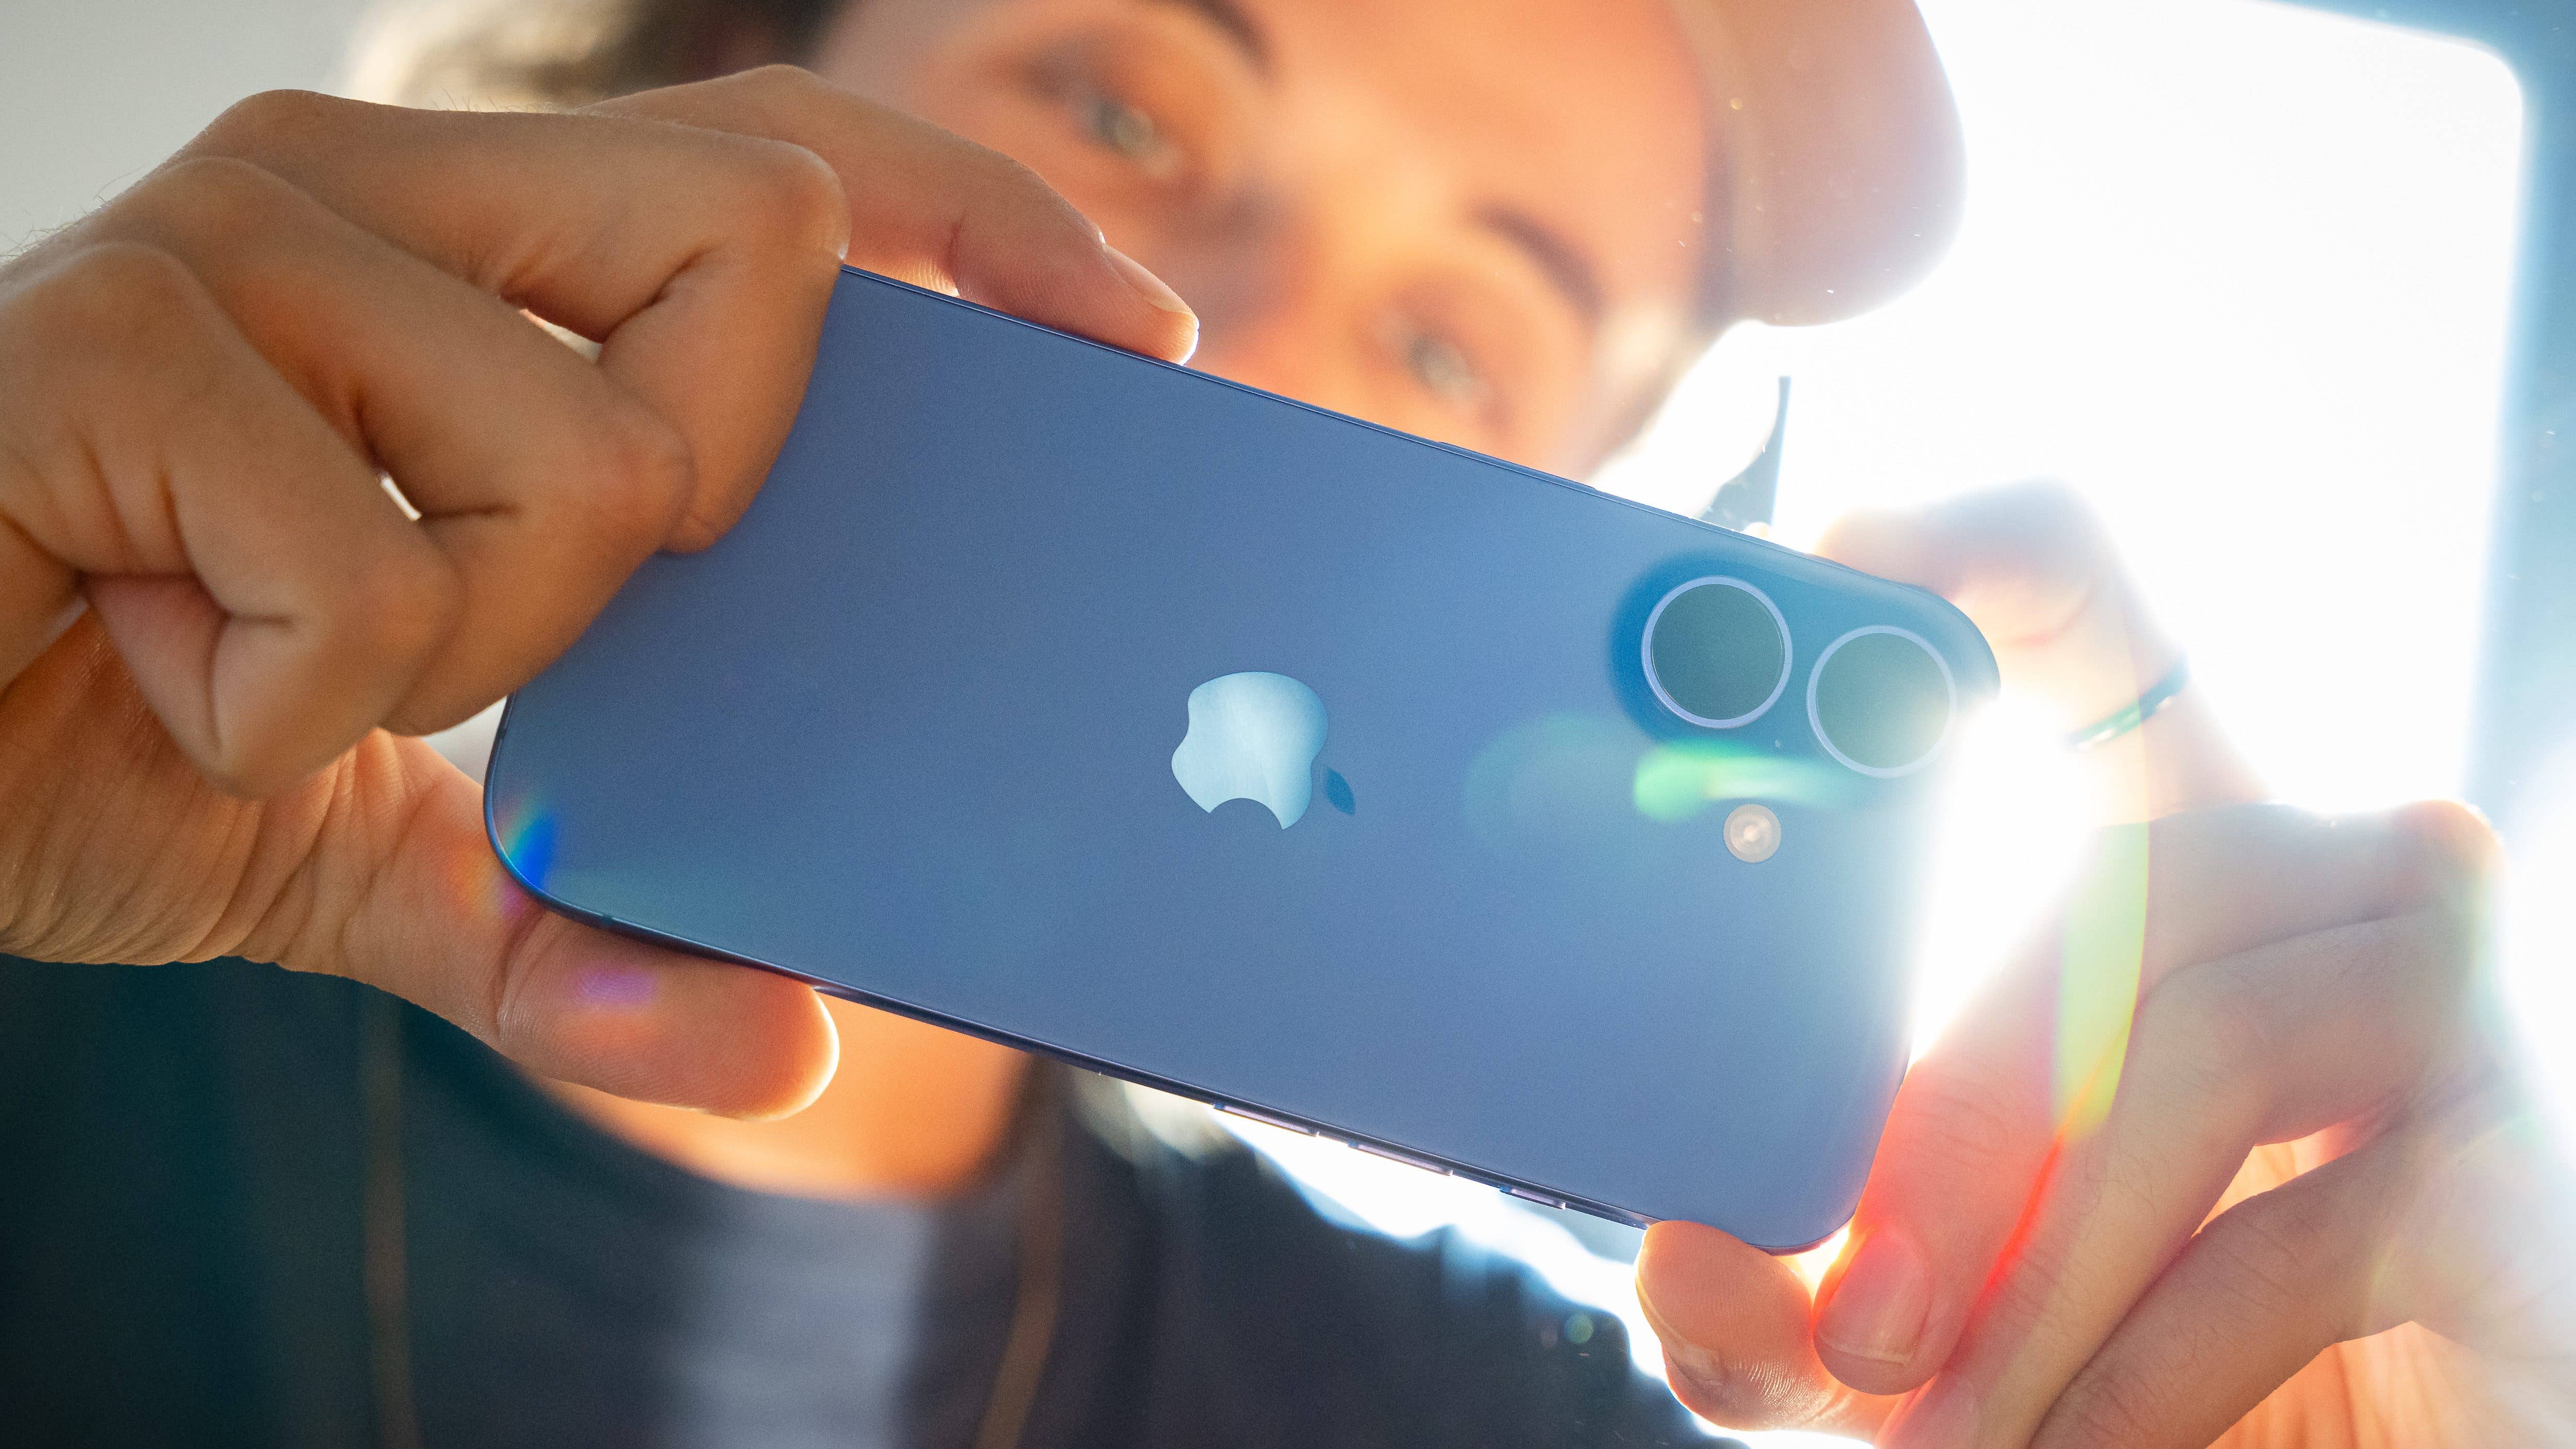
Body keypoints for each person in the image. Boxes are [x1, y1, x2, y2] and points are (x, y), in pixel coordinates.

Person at [0, 0, 2567, 1444]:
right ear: (737, 65)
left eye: (1465, 335)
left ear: (1563, 509)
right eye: (1123, 107)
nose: (1228, 350)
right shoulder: (51, 909)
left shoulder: (1469, 1419)